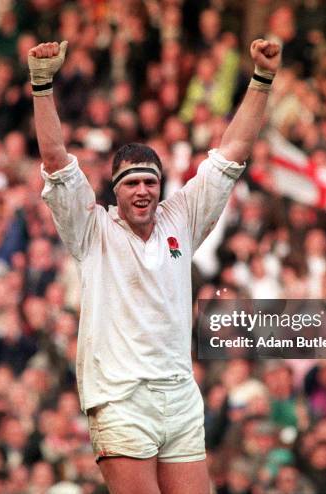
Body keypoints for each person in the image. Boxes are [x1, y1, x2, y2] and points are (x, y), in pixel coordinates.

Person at [28, 38, 281, 493]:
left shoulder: (181, 217)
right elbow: (55, 160)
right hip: (120, 398)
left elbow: (234, 151)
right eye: (131, 183)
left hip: (180, 394)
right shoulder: (91, 228)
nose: (143, 190)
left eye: (151, 181)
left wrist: (262, 79)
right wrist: (42, 86)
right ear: (114, 190)